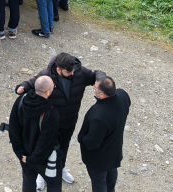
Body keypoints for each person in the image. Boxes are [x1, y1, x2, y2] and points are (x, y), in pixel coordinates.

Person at [17, 53, 106, 188]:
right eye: (68, 71)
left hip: (70, 121)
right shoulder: (47, 75)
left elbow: (97, 74)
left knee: (64, 146)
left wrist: (101, 79)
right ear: (58, 69)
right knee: (46, 146)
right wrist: (22, 86)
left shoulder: (79, 72)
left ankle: (61, 167)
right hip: (51, 123)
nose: (72, 73)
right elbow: (33, 82)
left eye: (73, 70)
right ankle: (42, 173)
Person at [8, 75, 61, 192]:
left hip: (24, 154)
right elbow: (45, 142)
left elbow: (13, 129)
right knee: (54, 183)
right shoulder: (51, 113)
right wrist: (32, 159)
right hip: (41, 158)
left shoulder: (21, 100)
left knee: (28, 181)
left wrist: (21, 154)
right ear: (47, 92)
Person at [77, 77, 130, 192]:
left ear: (102, 95)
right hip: (114, 151)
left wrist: (81, 138)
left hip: (98, 159)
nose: (94, 88)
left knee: (99, 183)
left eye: (95, 88)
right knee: (111, 178)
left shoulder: (99, 116)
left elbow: (92, 143)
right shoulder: (123, 96)